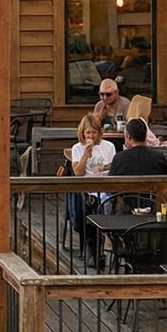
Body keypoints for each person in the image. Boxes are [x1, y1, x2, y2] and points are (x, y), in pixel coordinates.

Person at [66, 114, 115, 266]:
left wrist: (105, 167)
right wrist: (86, 155)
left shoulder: (108, 146)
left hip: (106, 186)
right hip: (87, 189)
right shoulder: (77, 148)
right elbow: (78, 172)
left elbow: (114, 167)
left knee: (110, 203)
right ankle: (93, 251)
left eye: (94, 132)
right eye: (88, 133)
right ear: (82, 133)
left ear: (99, 133)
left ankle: (110, 245)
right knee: (90, 206)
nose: (91, 136)